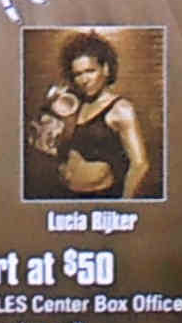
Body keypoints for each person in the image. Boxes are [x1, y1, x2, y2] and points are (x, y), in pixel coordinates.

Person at [29, 30, 150, 200]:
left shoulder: (121, 109)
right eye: (78, 74)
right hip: (65, 194)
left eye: (90, 71)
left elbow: (140, 164)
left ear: (105, 69)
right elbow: (45, 146)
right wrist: (49, 113)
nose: (84, 80)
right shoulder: (73, 104)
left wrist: (124, 204)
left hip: (102, 196)